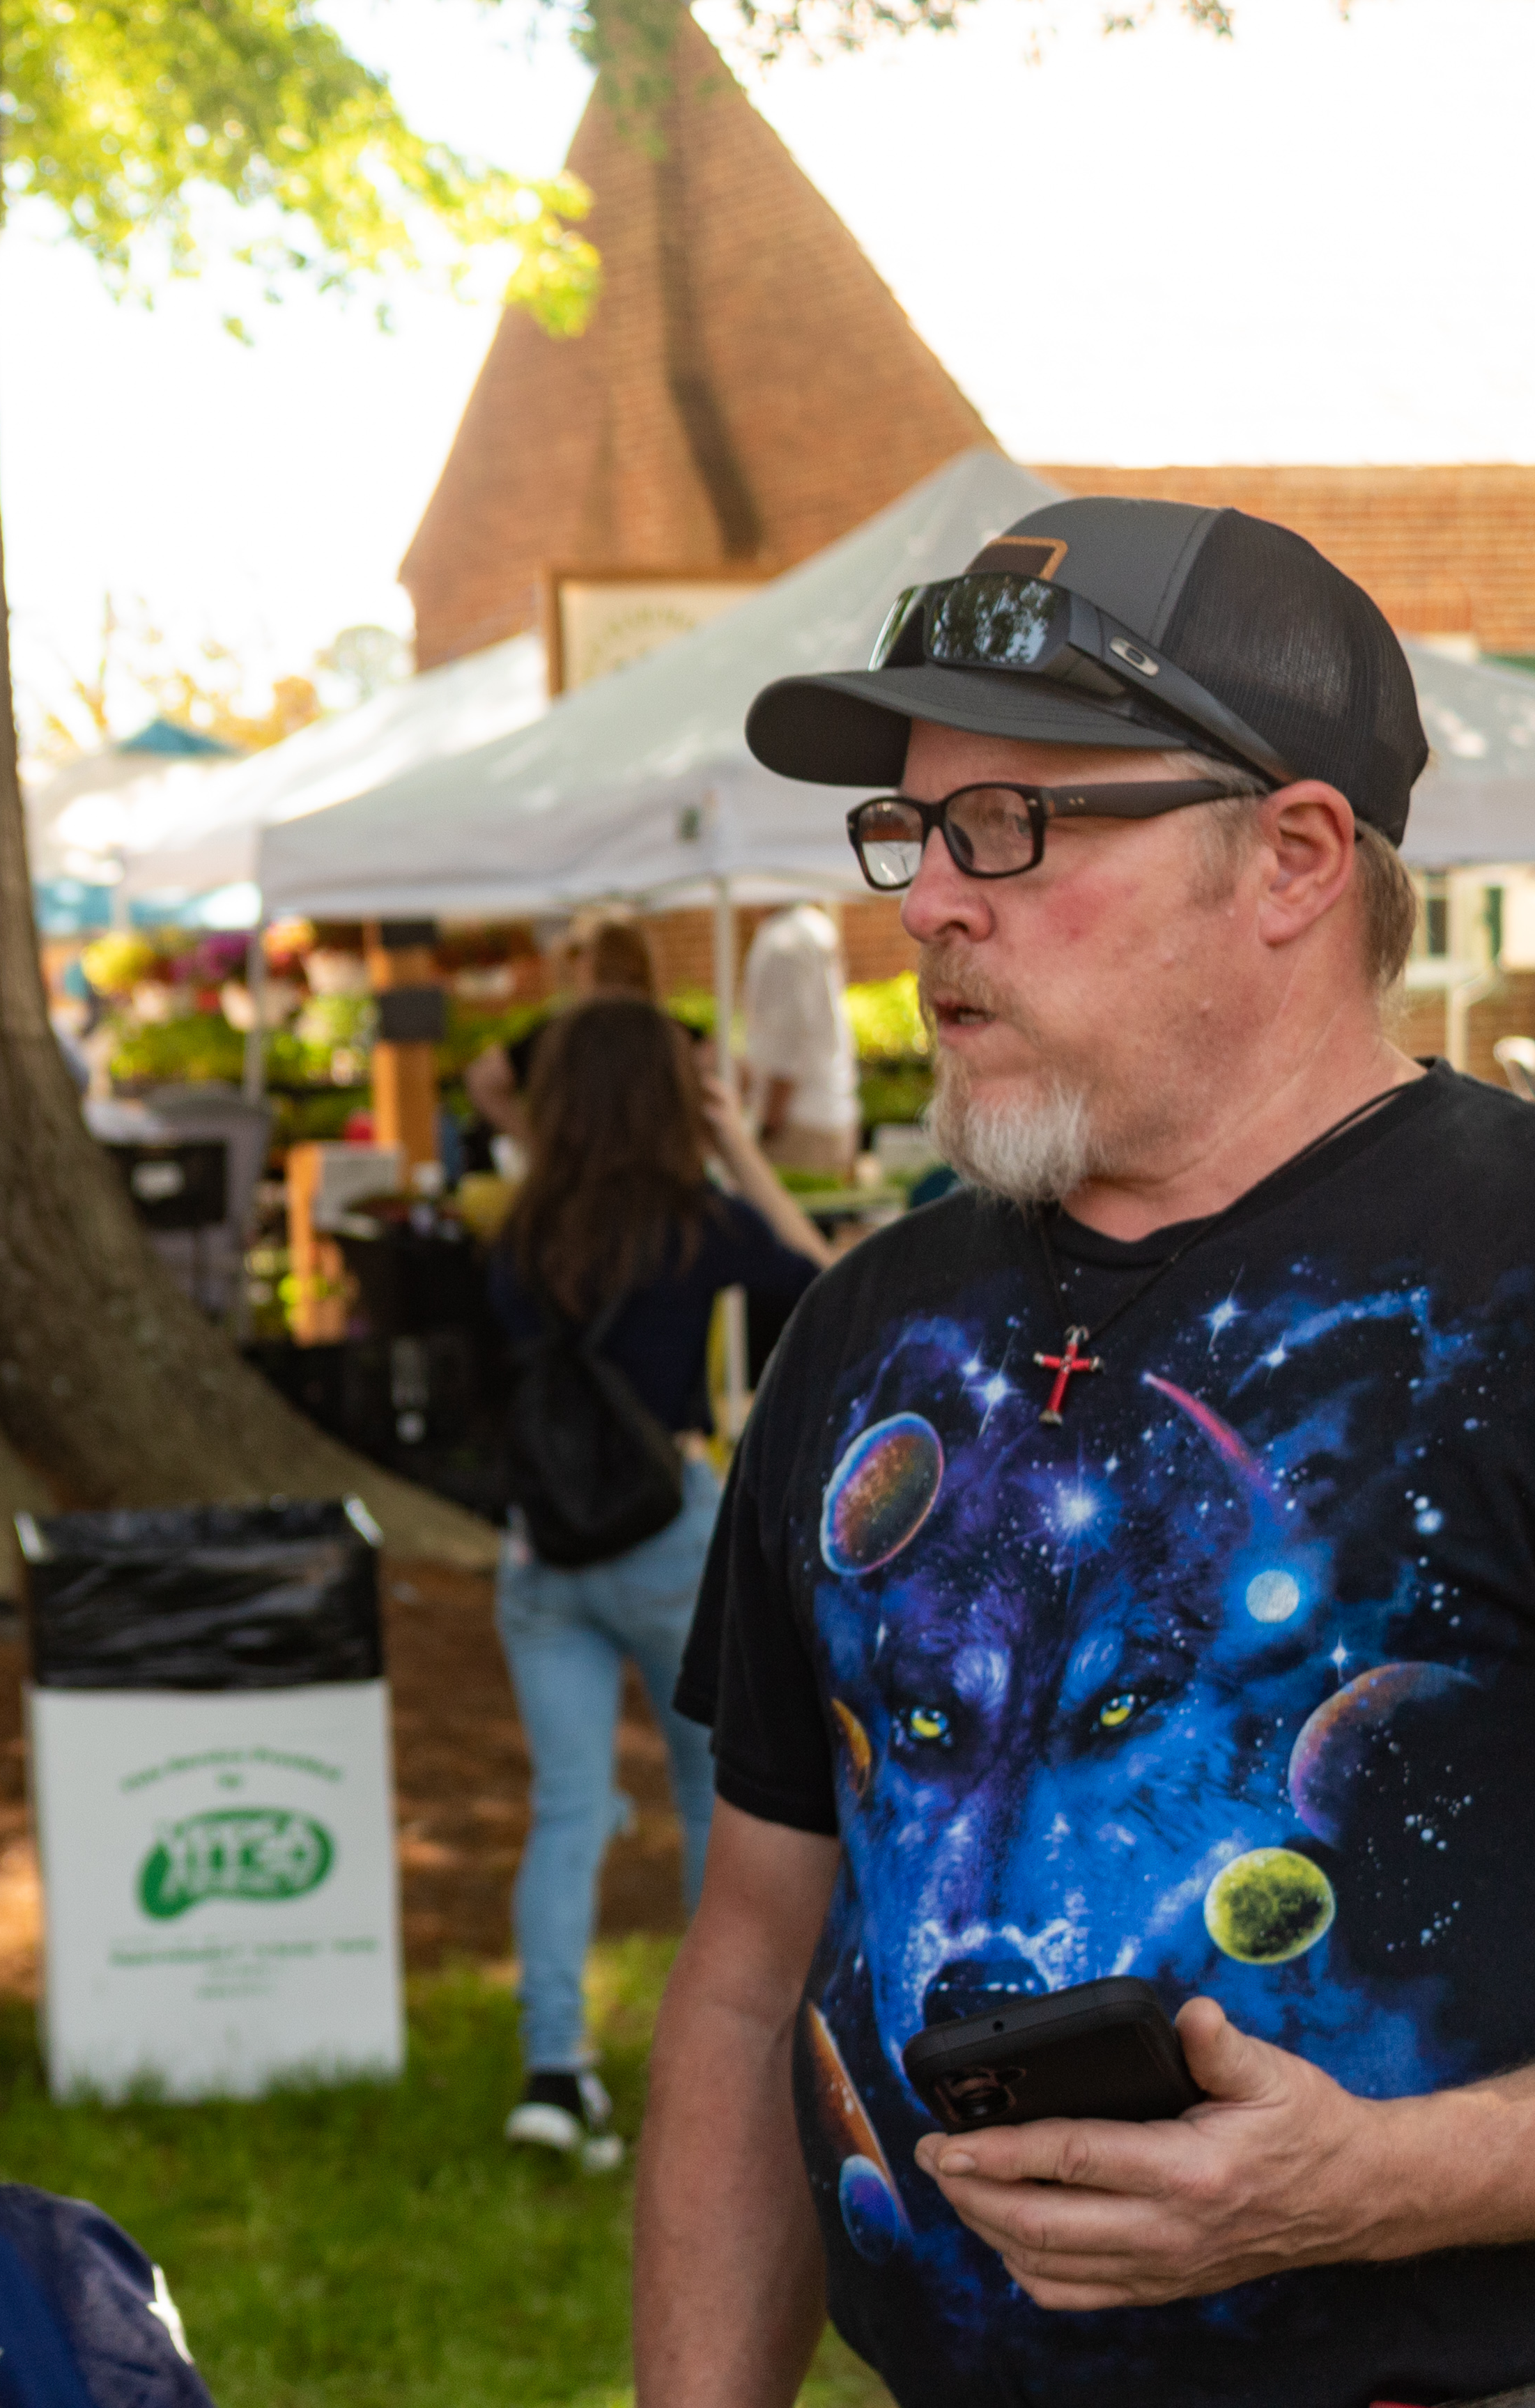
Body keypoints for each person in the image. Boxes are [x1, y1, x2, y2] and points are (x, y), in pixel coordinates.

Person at [635, 498, 1535, 2408]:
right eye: (914, 830)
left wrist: (1373, 2184)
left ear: (1291, 857)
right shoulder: (874, 1322)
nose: (930, 903)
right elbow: (750, 1966)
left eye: (1014, 830)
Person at [486, 997, 828, 2168]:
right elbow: (822, 1289)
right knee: (709, 1808)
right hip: (666, 1540)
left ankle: (550, 2074)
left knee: (567, 1810)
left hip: (537, 1551)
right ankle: (710, 2073)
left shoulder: (514, 1231)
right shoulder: (694, 1226)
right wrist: (734, 1143)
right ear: (667, 1097)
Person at [466, 913, 661, 1147]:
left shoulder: (561, 1032)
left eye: (580, 956)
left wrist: (539, 1143)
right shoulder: (669, 1033)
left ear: (592, 963)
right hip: (655, 1174)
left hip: (581, 1172)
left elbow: (482, 1080)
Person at [740, 900, 861, 1179]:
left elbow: (786, 1041)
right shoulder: (816, 926)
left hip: (798, 1122)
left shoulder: (783, 942)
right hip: (832, 1110)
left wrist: (769, 1122)